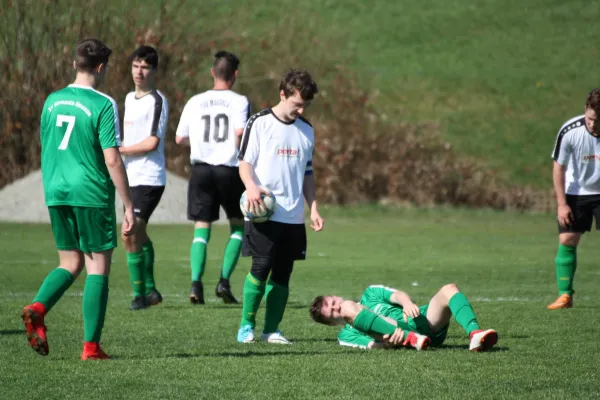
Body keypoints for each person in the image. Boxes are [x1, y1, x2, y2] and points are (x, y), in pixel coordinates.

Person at [21, 38, 136, 360]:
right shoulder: (103, 103)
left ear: (74, 64)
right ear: (101, 67)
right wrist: (129, 205)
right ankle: (91, 347)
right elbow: (112, 159)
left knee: (70, 262)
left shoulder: (52, 101)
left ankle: (38, 308)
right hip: (90, 192)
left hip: (56, 190)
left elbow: (47, 145)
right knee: (97, 267)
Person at [236, 69, 324, 345]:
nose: (300, 110)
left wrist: (314, 208)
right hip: (264, 211)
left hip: (294, 216)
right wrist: (250, 186)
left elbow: (308, 174)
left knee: (283, 273)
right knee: (260, 268)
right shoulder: (259, 123)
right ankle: (246, 326)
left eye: (305, 106)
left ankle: (271, 330)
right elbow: (244, 163)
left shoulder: (307, 130)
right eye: (296, 103)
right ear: (282, 94)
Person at [175, 51, 250, 304]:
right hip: (228, 169)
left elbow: (179, 138)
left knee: (201, 229)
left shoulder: (195, 101)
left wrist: (200, 144)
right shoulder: (240, 101)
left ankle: (196, 284)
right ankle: (224, 282)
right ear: (235, 74)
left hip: (201, 171)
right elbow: (240, 132)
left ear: (212, 72)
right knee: (239, 226)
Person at [119, 45, 169, 310]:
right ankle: (151, 291)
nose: (139, 71)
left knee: (129, 233)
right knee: (138, 234)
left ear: (154, 71)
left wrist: (120, 151)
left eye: (145, 67)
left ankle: (139, 295)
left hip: (150, 177)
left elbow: (151, 142)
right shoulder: (128, 98)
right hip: (129, 176)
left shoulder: (157, 100)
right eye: (136, 65)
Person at [309, 284, 498, 352]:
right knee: (351, 308)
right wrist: (389, 343)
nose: (337, 307)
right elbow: (372, 346)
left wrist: (407, 303)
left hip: (423, 321)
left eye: (334, 302)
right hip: (404, 336)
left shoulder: (371, 293)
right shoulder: (345, 337)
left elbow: (397, 295)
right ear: (332, 323)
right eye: (333, 312)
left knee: (449, 289)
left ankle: (475, 334)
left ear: (335, 295)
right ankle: (412, 338)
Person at [548, 88, 600, 309]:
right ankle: (565, 295)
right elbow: (558, 167)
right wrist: (561, 204)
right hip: (576, 193)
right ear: (585, 111)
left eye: (598, 121)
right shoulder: (570, 131)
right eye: (590, 118)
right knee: (567, 240)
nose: (593, 124)